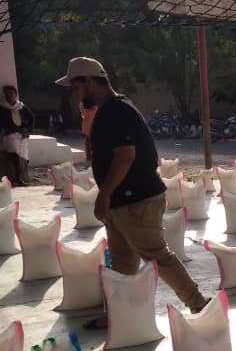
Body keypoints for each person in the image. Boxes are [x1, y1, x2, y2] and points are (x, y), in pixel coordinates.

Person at [55, 56, 208, 325]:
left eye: (76, 87)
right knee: (122, 262)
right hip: (123, 200)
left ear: (89, 81)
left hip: (136, 200)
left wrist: (103, 196)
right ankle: (119, 315)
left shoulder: (117, 111)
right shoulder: (108, 110)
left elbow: (125, 156)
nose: (75, 93)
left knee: (156, 256)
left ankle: (200, 305)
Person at [0, 85, 35, 185]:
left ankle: (22, 177)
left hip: (21, 134)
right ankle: (17, 178)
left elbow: (31, 117)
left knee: (24, 155)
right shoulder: (0, 106)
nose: (9, 96)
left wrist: (28, 130)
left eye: (11, 93)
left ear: (15, 95)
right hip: (8, 134)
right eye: (7, 94)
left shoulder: (21, 106)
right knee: (14, 153)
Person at [79, 96, 98, 162]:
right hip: (94, 127)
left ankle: (89, 158)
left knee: (88, 141)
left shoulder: (84, 108)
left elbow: (82, 115)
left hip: (87, 126)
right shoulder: (96, 108)